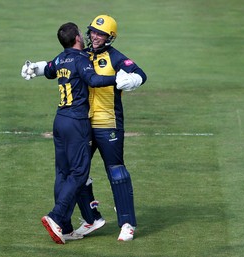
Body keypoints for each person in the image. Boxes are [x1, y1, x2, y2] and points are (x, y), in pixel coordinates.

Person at [22, 15, 147, 241]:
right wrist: (36, 68)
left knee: (116, 172)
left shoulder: (116, 57)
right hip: (84, 125)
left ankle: (127, 224)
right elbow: (55, 65)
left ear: (111, 37)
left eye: (101, 34)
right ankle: (92, 218)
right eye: (92, 32)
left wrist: (132, 81)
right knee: (76, 173)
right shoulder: (82, 55)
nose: (95, 36)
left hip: (109, 124)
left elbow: (140, 74)